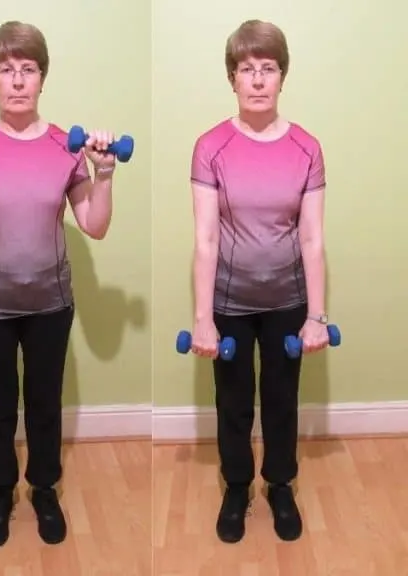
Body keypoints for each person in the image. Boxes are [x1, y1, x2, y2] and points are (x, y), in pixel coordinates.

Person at [0, 21, 119, 548]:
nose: (16, 81)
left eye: (27, 69)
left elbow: (94, 225)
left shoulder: (65, 147)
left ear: (42, 78)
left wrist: (105, 175)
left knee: (45, 399)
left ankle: (44, 488)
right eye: (6, 70)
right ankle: (1, 489)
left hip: (51, 301)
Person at [188, 19, 330, 544]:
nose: (257, 79)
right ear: (232, 78)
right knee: (233, 400)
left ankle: (279, 484)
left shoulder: (307, 147)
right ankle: (237, 484)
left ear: (281, 76)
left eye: (267, 68)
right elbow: (205, 239)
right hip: (229, 298)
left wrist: (316, 314)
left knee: (281, 398)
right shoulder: (211, 146)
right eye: (246, 69)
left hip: (288, 298)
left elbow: (312, 239)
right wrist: (202, 317)